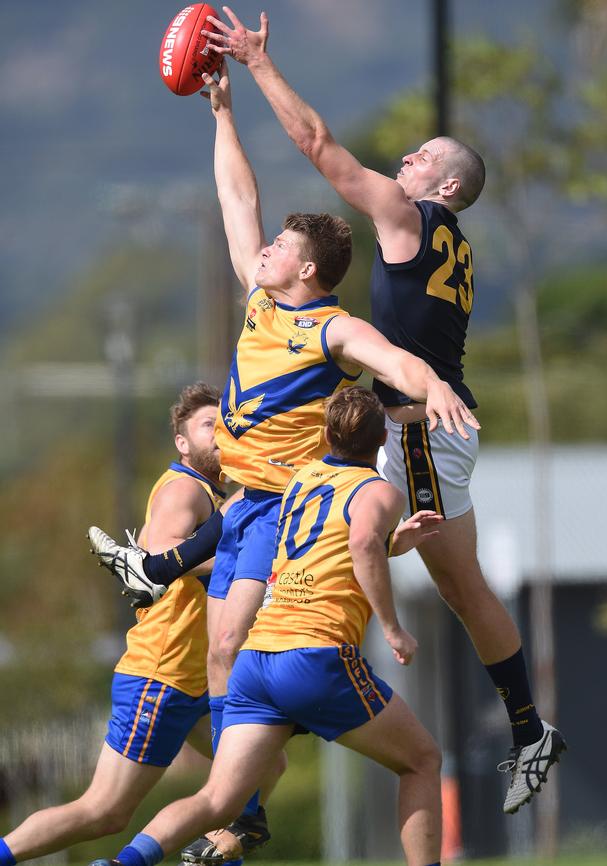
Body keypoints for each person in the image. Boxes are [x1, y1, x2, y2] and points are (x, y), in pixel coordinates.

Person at [88, 57, 479, 861]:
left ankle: (242, 807)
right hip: (239, 507)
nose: (260, 252)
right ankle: (243, 802)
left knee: (230, 647)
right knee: (221, 652)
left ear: (307, 269)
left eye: (277, 249)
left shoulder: (330, 328)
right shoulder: (264, 298)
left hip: (279, 506)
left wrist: (431, 383)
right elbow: (239, 200)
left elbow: (393, 358)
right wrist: (223, 114)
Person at [197, 7, 566, 814]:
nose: (406, 157)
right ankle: (530, 728)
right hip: (430, 423)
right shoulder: (450, 242)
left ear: (444, 189)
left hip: (423, 426)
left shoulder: (409, 217)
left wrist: (257, 65)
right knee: (460, 586)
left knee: (354, 540)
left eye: (422, 156)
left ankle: (284, 705)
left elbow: (317, 144)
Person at [87, 385, 447, 866]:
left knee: (220, 800)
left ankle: (124, 863)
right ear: (382, 438)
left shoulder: (300, 481)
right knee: (422, 761)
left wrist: (392, 542)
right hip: (316, 656)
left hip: (257, 662)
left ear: (325, 436)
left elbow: (335, 547)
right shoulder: (379, 491)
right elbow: (360, 542)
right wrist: (392, 627)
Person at [0, 383, 283, 866]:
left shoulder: (218, 494)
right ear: (182, 441)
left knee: (261, 766)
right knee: (103, 811)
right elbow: (155, 558)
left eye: (225, 426)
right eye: (206, 427)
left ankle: (205, 850)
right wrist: (248, 570)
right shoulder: (185, 489)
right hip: (163, 672)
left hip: (196, 678)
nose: (218, 437)